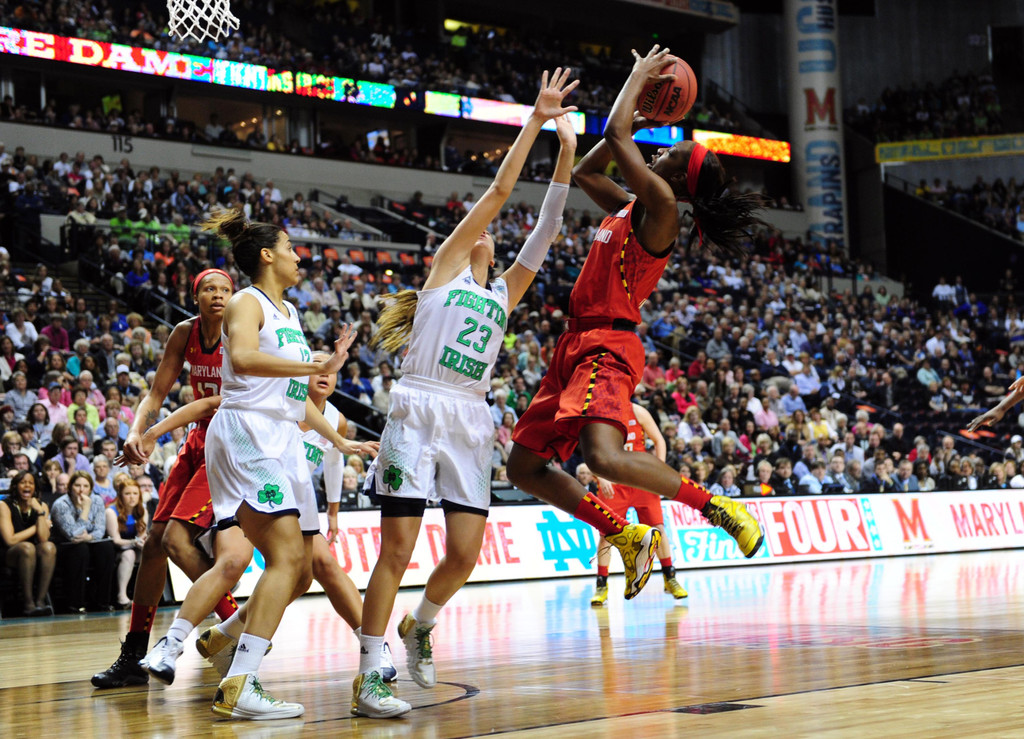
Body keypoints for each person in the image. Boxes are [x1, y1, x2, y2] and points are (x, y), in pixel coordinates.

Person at [353, 69, 578, 719]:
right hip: (420, 409)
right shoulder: (447, 264)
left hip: (470, 420)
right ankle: (370, 673)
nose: (489, 229)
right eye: (482, 224)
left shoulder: (504, 292)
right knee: (396, 549)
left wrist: (566, 152)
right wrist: (535, 121)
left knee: (463, 553)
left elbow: (548, 224)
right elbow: (504, 190)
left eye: (491, 229)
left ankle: (419, 624)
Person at [506, 47, 766, 600]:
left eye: (676, 149)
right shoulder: (630, 205)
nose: (669, 146)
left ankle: (715, 506)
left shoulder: (664, 203)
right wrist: (640, 117)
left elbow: (621, 136)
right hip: (574, 343)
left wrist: (636, 81)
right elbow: (585, 170)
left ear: (680, 173)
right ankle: (624, 537)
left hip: (609, 343)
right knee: (524, 467)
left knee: (602, 456)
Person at [181, 207, 376, 719]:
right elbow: (243, 360)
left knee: (301, 567)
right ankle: (241, 681)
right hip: (247, 431)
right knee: (288, 557)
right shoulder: (246, 301)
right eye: (290, 248)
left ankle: (230, 644)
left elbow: (294, 393)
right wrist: (311, 364)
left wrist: (339, 440)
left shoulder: (288, 314)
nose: (298, 256)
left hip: (279, 438)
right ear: (268, 255)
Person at [92, 268, 238, 690]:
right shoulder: (185, 333)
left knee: (176, 540)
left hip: (230, 441)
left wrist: (155, 432)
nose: (217, 295)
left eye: (225, 289)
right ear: (195, 296)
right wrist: (136, 430)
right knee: (154, 544)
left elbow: (215, 400)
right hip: (196, 440)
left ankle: (234, 632)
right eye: (209, 288)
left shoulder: (239, 333)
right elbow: (155, 394)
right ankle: (133, 654)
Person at [590, 403, 688, 607]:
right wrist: (600, 476)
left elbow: (659, 440)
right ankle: (601, 585)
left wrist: (659, 471)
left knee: (658, 528)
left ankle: (670, 577)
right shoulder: (601, 412)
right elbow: (591, 449)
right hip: (614, 480)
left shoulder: (639, 412)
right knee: (606, 534)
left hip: (641, 478)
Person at [50, 471, 116, 613]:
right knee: (80, 550)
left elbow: (100, 530)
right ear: (70, 487)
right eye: (77, 485)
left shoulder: (97, 500)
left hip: (89, 541)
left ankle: (103, 602)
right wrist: (85, 510)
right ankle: (75, 603)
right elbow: (73, 535)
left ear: (91, 488)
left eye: (85, 486)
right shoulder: (61, 505)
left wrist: (89, 537)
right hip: (65, 546)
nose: (81, 490)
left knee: (106, 547)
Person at [0, 470, 56, 615]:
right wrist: (38, 526)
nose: (27, 486)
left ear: (35, 488)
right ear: (15, 486)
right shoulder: (4, 505)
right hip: (9, 554)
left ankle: (40, 601)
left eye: (30, 483)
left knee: (49, 547)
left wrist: (40, 513)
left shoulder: (41, 506)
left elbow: (44, 538)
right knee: (27, 547)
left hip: (33, 551)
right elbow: (10, 540)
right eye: (23, 482)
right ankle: (28, 603)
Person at [105, 475, 147, 608]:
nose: (132, 497)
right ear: (120, 496)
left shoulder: (142, 511)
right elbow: (116, 540)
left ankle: (149, 595)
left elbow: (142, 535)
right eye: (127, 494)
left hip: (135, 546)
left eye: (135, 493)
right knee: (129, 554)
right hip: (116, 550)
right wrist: (135, 542)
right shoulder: (111, 512)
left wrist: (140, 543)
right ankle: (122, 595)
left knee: (151, 553)